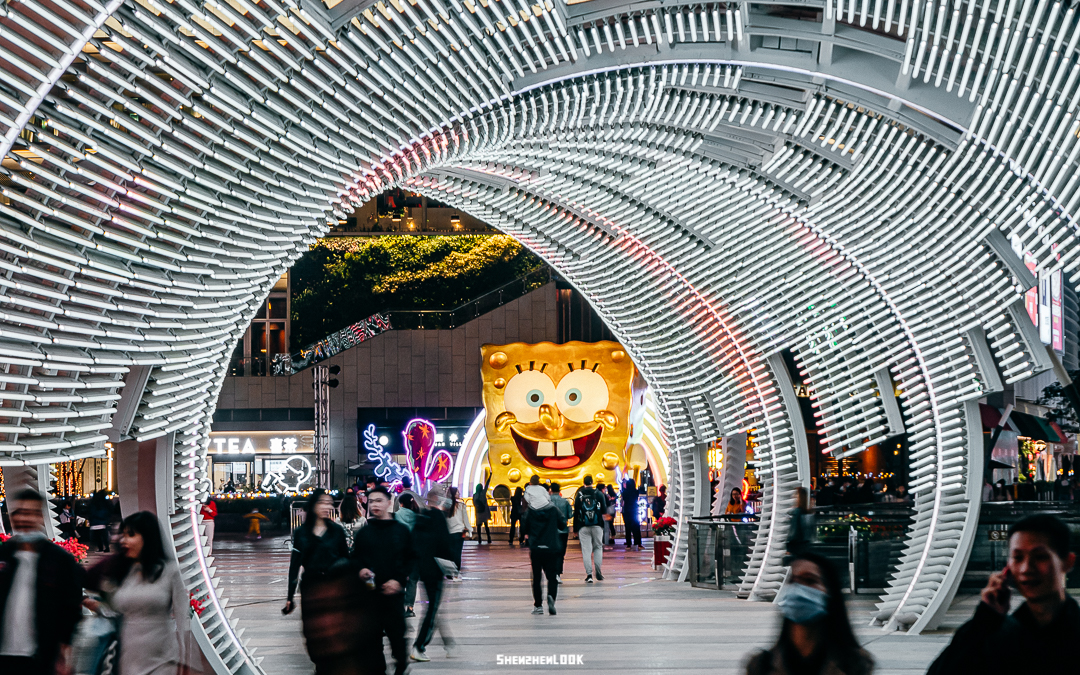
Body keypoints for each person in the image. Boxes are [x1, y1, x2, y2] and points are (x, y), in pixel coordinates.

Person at [927, 514, 1079, 675]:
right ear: (1007, 568)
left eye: (1040, 557)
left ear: (1068, 562)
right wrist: (984, 619)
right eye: (1018, 557)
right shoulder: (995, 632)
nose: (1026, 568)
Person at [84, 511, 192, 675]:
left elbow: (184, 619)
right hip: (127, 656)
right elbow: (110, 606)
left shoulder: (170, 571)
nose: (123, 540)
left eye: (131, 535)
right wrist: (97, 605)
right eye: (123, 534)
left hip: (162, 657)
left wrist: (184, 660)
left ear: (148, 537)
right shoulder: (122, 571)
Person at [745, 551, 873, 675]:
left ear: (829, 593)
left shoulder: (854, 665)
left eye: (809, 580)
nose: (797, 588)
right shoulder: (761, 666)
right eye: (791, 581)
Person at [0, 488, 83, 675]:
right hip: (4, 657)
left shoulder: (59, 560)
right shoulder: (5, 555)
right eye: (20, 512)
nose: (24, 519)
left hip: (42, 657)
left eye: (30, 513)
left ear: (39, 516)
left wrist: (64, 653)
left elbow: (70, 609)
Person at [282, 490, 359, 675]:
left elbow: (345, 559)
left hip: (333, 588)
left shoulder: (336, 531)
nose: (327, 507)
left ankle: (328, 666)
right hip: (311, 588)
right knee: (311, 631)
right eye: (323, 503)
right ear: (314, 505)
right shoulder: (302, 533)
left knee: (332, 629)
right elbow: (295, 566)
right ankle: (320, 663)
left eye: (330, 503)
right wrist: (290, 596)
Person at [351, 486, 414, 675]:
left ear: (388, 503)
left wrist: (398, 581)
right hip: (370, 596)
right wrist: (361, 569)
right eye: (371, 501)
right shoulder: (364, 532)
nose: (375, 505)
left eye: (379, 500)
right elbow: (356, 558)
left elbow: (410, 559)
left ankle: (401, 666)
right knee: (372, 641)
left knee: (397, 639)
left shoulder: (400, 531)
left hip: (393, 596)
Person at [409, 487, 455, 662]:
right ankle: (419, 646)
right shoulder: (438, 518)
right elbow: (445, 543)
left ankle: (448, 643)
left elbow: (413, 544)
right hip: (436, 570)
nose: (444, 499)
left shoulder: (421, 518)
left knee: (434, 608)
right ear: (436, 498)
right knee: (433, 609)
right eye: (442, 496)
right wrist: (452, 568)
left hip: (423, 570)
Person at [522, 482, 560, 615]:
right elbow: (562, 523)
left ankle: (538, 605)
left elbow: (524, 528)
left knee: (537, 577)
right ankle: (551, 597)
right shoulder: (553, 509)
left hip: (536, 548)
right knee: (552, 576)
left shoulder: (530, 511)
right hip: (551, 547)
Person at [574, 475, 607, 583]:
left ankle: (589, 575)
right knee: (598, 547)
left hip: (583, 526)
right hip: (597, 525)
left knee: (586, 550)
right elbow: (604, 510)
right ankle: (598, 571)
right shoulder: (599, 493)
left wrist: (575, 529)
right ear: (592, 482)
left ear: (584, 482)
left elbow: (576, 512)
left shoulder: (579, 494)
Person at [395, 494, 420, 618]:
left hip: (400, 553)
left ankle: (398, 607)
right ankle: (410, 608)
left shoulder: (396, 516)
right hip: (414, 554)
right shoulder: (417, 517)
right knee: (413, 582)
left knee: (399, 580)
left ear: (401, 503)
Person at [548, 483, 572, 583]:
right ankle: (558, 573)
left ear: (551, 490)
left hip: (550, 531)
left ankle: (551, 572)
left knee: (551, 552)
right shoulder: (565, 502)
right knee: (561, 553)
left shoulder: (547, 501)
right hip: (563, 530)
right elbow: (570, 515)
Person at [445, 487, 471, 573]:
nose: (459, 494)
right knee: (457, 553)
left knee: (450, 553)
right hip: (459, 533)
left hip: (448, 533)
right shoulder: (461, 506)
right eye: (457, 493)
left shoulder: (445, 507)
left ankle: (449, 571)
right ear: (454, 494)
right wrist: (469, 531)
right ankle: (456, 572)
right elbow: (465, 520)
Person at [786, 487, 814, 557]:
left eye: (796, 494)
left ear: (799, 497)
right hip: (805, 546)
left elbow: (795, 530)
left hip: (796, 546)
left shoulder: (797, 511)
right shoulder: (806, 512)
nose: (793, 496)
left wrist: (789, 547)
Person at [622, 478, 642, 550]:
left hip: (627, 511)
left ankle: (628, 544)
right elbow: (636, 499)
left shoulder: (624, 492)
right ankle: (638, 543)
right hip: (634, 510)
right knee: (636, 527)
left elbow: (624, 500)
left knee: (627, 527)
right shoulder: (636, 492)